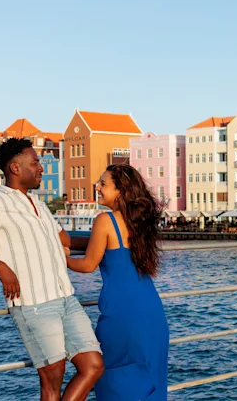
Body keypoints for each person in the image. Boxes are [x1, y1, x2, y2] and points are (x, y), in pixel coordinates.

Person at [0, 138, 104, 401]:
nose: (40, 168)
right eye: (35, 163)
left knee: (93, 366)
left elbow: (65, 240)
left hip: (66, 298)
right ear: (15, 168)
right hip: (33, 303)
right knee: (53, 376)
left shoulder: (38, 204)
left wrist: (111, 241)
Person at [65, 164, 169, 400]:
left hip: (122, 316)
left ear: (121, 191)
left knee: (114, 379)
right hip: (151, 313)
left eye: (103, 183)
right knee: (149, 381)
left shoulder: (105, 221)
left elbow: (88, 265)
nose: (97, 187)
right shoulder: (140, 223)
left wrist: (61, 258)